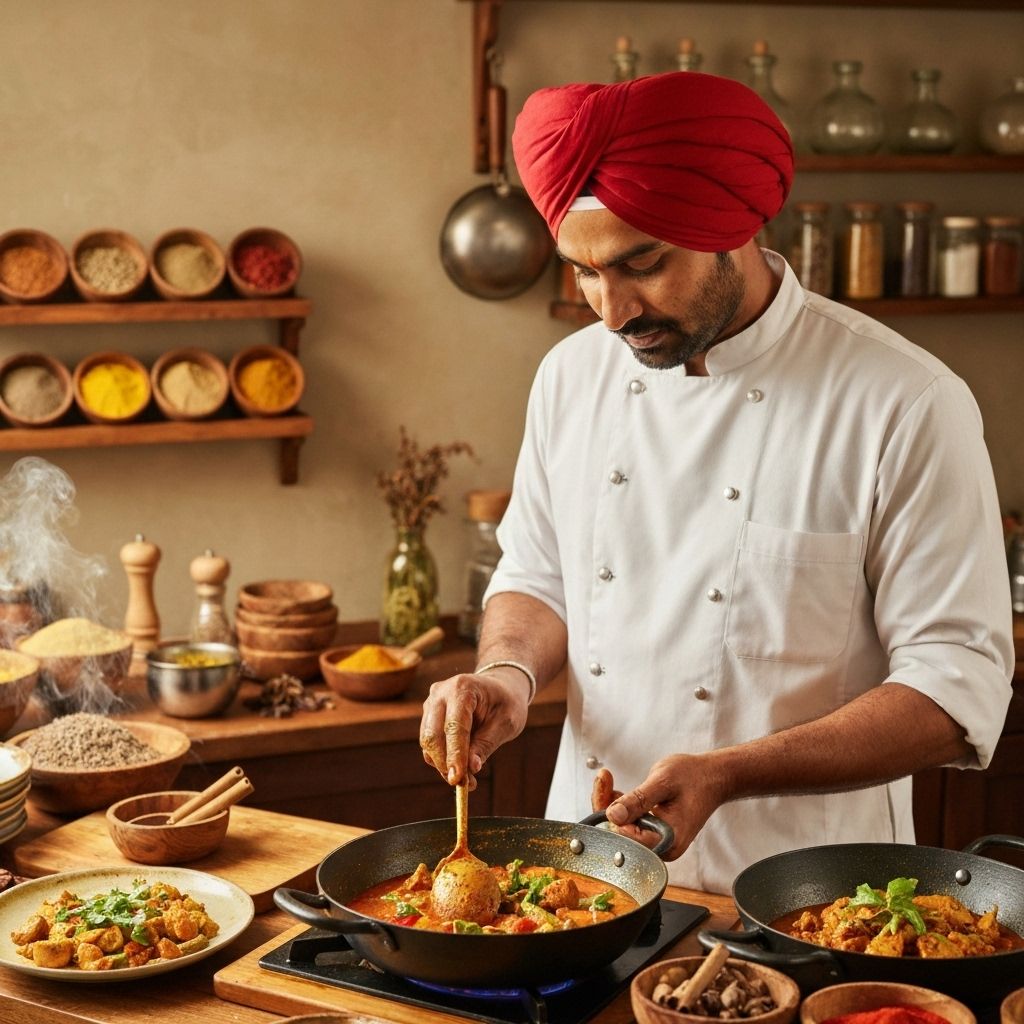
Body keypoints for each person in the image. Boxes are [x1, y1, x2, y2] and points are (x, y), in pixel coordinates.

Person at [419, 71, 1014, 894]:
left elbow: (958, 686)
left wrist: (729, 772)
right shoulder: (570, 376)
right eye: (583, 272)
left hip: (807, 895)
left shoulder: (905, 402)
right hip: (584, 882)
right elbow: (539, 575)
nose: (612, 311)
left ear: (735, 226)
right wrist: (506, 676)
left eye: (642, 264)